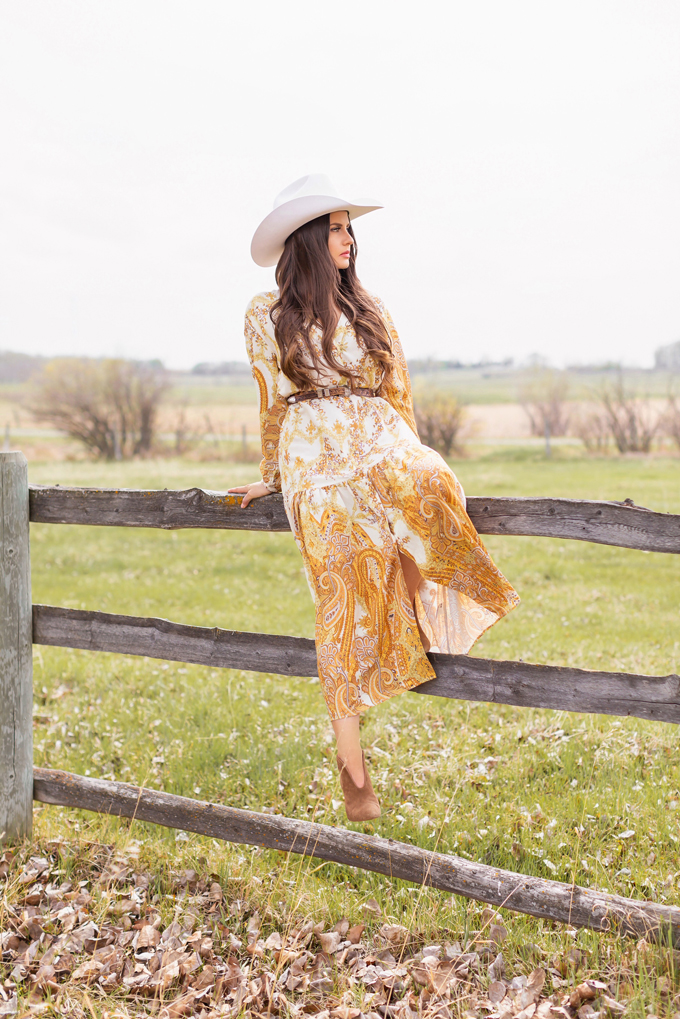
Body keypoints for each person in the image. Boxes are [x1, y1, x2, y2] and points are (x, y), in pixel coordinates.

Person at [229, 174, 519, 823]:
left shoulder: (371, 308)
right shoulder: (265, 314)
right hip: (314, 458)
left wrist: (410, 452)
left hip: (379, 434)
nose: (348, 238)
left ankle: (410, 615)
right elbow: (270, 404)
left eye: (348, 226)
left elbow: (399, 392)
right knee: (339, 592)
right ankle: (355, 777)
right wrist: (272, 475)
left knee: (430, 482)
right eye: (334, 227)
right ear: (306, 238)